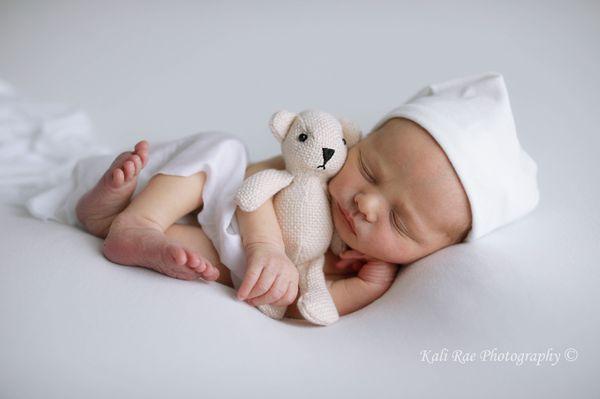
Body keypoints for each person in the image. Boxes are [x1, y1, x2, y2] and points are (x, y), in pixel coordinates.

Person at [68, 72, 539, 319]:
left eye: (400, 222)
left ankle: (110, 224)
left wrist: (362, 288)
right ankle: (137, 219)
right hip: (211, 200)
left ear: (435, 250)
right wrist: (266, 247)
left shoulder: (370, 269)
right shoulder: (316, 169)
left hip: (226, 252)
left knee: (211, 258)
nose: (367, 204)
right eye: (370, 169)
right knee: (222, 150)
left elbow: (311, 301)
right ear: (360, 140)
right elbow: (250, 185)